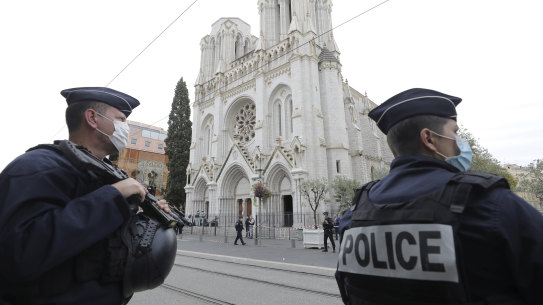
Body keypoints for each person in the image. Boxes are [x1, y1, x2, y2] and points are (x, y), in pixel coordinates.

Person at [335, 88, 543, 305]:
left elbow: (347, 289)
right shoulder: (492, 205)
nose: (460, 141)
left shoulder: (354, 217)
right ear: (429, 138)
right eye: (454, 132)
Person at [0, 87, 175, 305]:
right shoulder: (36, 167)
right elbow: (18, 254)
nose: (126, 128)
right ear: (92, 118)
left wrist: (153, 219)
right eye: (121, 119)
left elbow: (116, 245)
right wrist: (113, 197)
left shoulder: (112, 175)